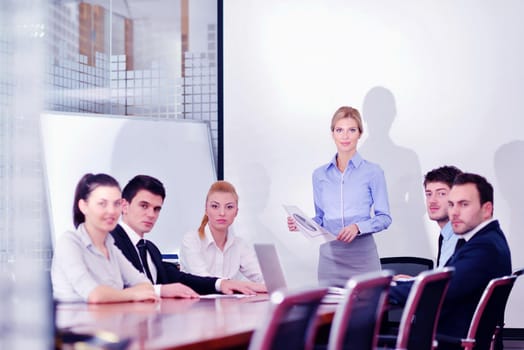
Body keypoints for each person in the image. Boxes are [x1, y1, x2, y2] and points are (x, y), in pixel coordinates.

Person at [389, 173, 512, 345]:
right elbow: (442, 283)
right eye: (452, 205)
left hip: (445, 341)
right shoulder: (483, 240)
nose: (454, 212)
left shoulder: (483, 248)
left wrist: (380, 291)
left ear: (486, 209)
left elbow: (439, 290)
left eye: (464, 204)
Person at [287, 106, 392, 286]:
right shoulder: (319, 175)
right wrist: (303, 223)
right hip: (330, 261)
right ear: (332, 134)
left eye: (351, 130)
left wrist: (358, 227)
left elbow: (384, 218)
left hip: (363, 259)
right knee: (330, 314)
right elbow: (321, 218)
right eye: (339, 130)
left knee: (367, 313)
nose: (345, 136)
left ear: (360, 133)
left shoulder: (373, 172)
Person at [111, 175, 266, 296]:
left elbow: (182, 279)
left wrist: (221, 283)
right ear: (124, 205)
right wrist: (160, 291)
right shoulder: (108, 241)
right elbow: (107, 290)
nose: (151, 214)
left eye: (157, 209)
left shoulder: (151, 250)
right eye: (144, 206)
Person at [51, 173, 158, 303]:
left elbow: (145, 285)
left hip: (111, 320)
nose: (112, 211)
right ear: (84, 206)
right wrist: (132, 294)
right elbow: (94, 295)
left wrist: (116, 295)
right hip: (78, 321)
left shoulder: (110, 246)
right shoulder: (69, 243)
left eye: (116, 204)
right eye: (102, 204)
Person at [179, 180, 264, 283]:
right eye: (215, 206)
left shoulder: (240, 244)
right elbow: (203, 280)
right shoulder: (191, 240)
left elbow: (262, 278)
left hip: (230, 299)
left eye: (229, 207)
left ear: (236, 211)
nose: (222, 213)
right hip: (198, 299)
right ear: (206, 210)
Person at [424, 165, 462, 267]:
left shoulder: (461, 238)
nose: (432, 200)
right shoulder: (446, 236)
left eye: (441, 194)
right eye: (428, 194)